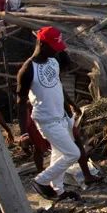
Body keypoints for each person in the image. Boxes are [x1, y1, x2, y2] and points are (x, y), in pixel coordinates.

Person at [17, 27, 82, 201]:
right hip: (46, 120)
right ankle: (41, 180)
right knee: (73, 154)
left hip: (61, 116)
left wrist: (71, 106)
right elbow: (21, 102)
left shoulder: (53, 61)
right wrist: (23, 132)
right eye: (53, 47)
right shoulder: (27, 69)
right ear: (41, 43)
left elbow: (57, 86)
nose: (56, 50)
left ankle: (58, 190)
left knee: (59, 154)